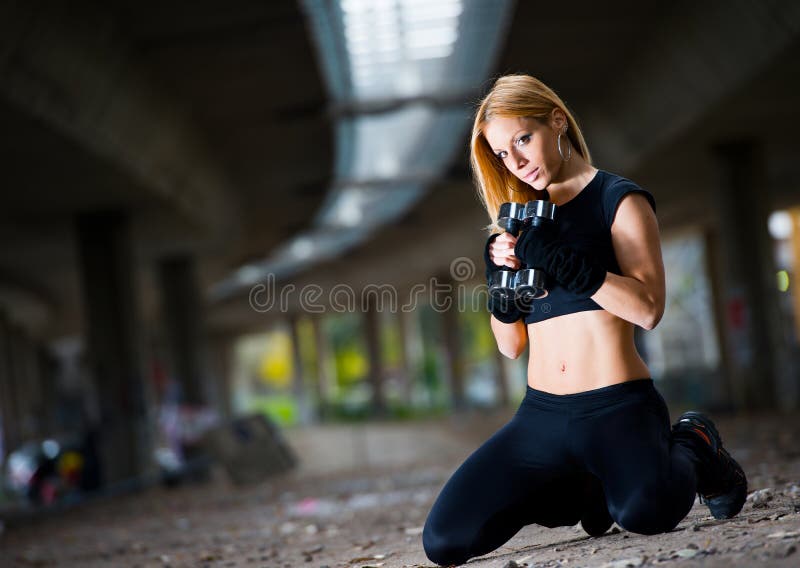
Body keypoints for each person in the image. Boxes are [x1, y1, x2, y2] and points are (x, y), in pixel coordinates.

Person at [422, 74, 747, 566]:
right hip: (541, 417)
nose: (517, 161)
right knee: (444, 543)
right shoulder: (518, 222)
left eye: (523, 140)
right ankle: (586, 486)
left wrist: (566, 263)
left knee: (645, 511)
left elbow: (648, 309)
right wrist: (500, 290)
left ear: (556, 122)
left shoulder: (617, 199)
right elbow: (510, 346)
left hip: (617, 408)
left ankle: (694, 444)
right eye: (503, 154)